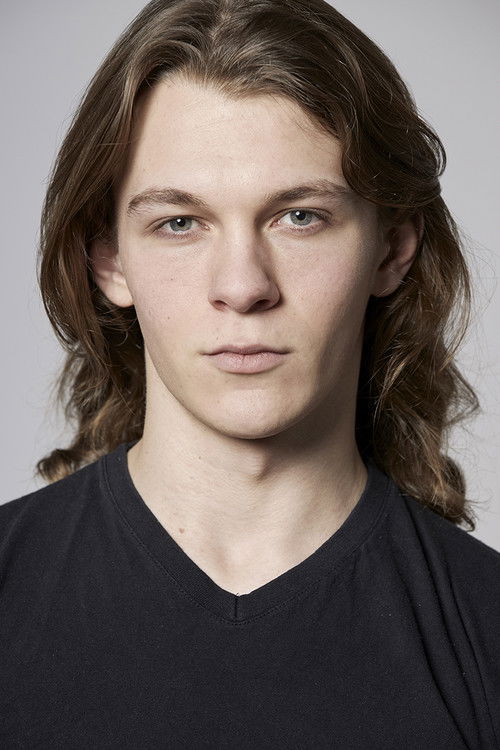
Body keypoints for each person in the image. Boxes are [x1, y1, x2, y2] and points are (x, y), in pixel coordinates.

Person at [1, 0, 499, 747]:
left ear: (392, 249)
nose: (242, 286)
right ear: (110, 261)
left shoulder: (483, 630)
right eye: (179, 222)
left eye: (300, 217)